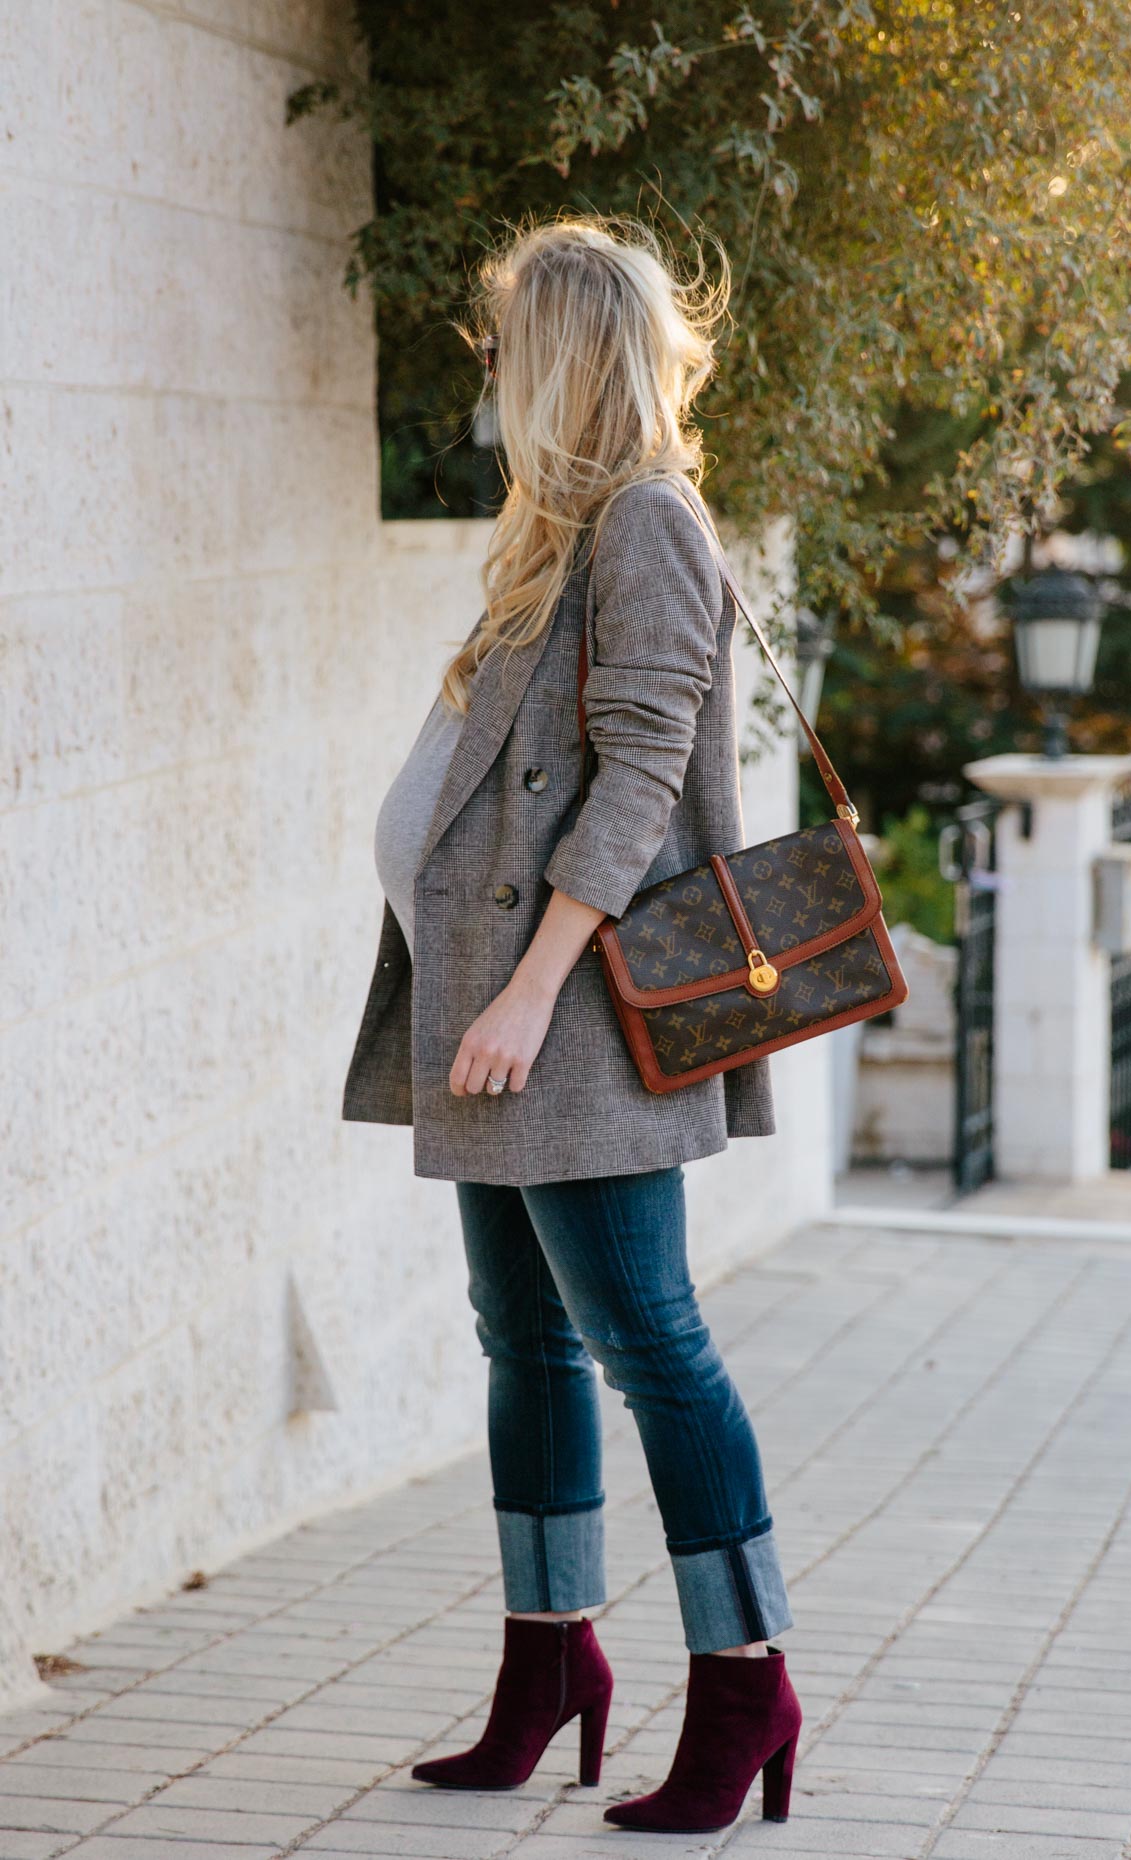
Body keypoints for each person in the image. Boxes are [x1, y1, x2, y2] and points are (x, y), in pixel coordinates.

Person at [342, 215, 801, 1835]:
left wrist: (535, 992)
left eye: (511, 339)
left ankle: (746, 1683)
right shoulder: (559, 529)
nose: (493, 365)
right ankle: (552, 1663)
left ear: (569, 352)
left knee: (649, 1343)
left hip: (572, 1024)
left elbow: (642, 779)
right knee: (523, 1342)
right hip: (491, 1012)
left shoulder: (651, 524)